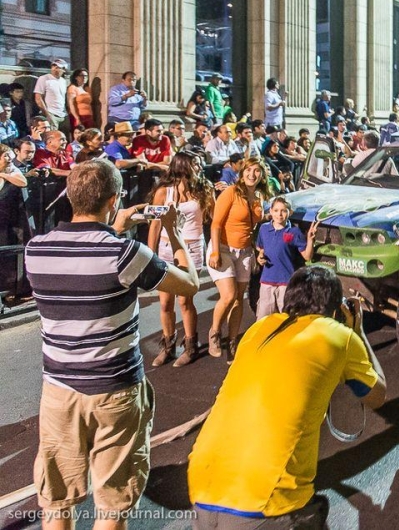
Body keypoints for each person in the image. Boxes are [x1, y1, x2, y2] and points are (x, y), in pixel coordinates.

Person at [25, 158, 199, 530]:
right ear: (113, 200)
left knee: (57, 501)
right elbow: (189, 282)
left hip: (59, 392)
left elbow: (87, 255)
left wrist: (116, 227)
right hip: (115, 392)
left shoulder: (36, 249)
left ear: (70, 196)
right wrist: (172, 231)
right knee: (112, 504)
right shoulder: (123, 253)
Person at [188, 266, 386, 530]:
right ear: (335, 307)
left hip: (202, 483)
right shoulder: (339, 336)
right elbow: (378, 395)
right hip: (266, 499)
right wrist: (357, 331)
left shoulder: (259, 329)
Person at [147, 151, 215, 367]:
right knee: (165, 302)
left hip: (192, 246)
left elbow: (215, 219)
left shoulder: (204, 188)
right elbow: (155, 224)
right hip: (166, 247)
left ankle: (190, 346)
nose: (199, 167)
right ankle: (168, 346)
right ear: (183, 166)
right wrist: (150, 254)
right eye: (195, 163)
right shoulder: (163, 192)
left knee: (185, 300)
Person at [207, 157, 271, 363]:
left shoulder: (260, 196)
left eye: (257, 171)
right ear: (242, 172)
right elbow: (216, 224)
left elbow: (256, 226)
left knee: (238, 298)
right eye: (249, 170)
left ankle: (232, 342)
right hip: (223, 249)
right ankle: (214, 333)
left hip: (245, 252)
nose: (252, 174)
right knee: (229, 294)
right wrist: (215, 252)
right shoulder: (231, 192)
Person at [255, 197, 318, 319]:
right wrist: (260, 257)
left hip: (285, 283)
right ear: (271, 211)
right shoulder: (263, 229)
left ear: (290, 212)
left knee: (287, 319)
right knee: (263, 320)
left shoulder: (294, 232)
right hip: (266, 282)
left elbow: (307, 255)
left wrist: (310, 240)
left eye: (283, 211)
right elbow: (261, 249)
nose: (279, 214)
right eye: (276, 210)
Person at [33, 59, 69, 133]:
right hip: (51, 113)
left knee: (66, 135)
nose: (55, 68)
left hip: (63, 114)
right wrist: (46, 114)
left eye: (58, 67)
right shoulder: (44, 78)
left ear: (64, 70)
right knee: (52, 136)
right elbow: (38, 97)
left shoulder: (63, 81)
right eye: (53, 66)